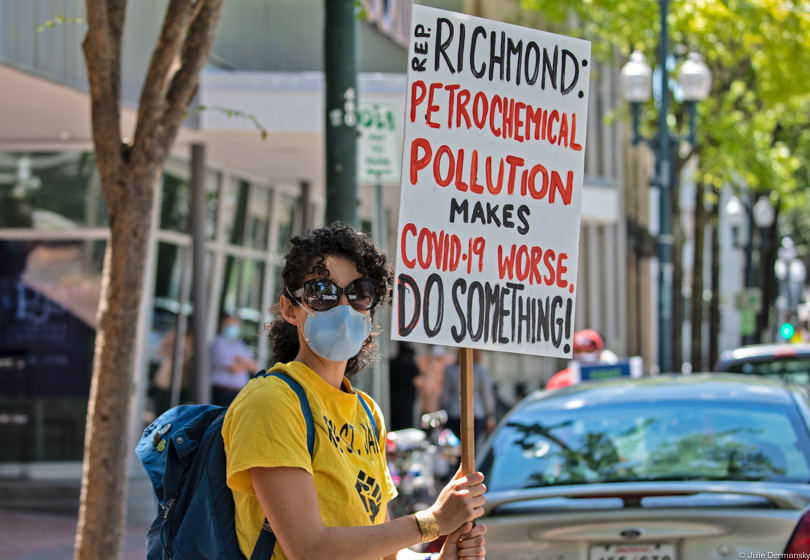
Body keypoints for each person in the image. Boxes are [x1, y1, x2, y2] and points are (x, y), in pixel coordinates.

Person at [222, 223, 487, 560]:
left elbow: (383, 551)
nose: (343, 307)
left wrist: (437, 557)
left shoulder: (367, 411)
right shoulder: (271, 402)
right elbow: (308, 549)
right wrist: (432, 522)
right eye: (323, 292)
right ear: (290, 309)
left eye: (359, 292)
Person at [440, 349, 497, 447]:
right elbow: (486, 394)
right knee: (471, 448)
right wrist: (490, 413)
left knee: (456, 448)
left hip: (455, 412)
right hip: (475, 412)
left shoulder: (451, 370)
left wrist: (442, 408)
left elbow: (445, 394)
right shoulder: (480, 370)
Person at [210, 313, 258, 406]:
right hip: (223, 393)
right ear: (221, 325)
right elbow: (234, 368)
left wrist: (241, 362)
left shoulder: (239, 344)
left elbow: (254, 366)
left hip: (239, 393)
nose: (232, 326)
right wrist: (245, 363)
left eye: (233, 323)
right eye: (228, 323)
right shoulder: (219, 343)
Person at [546, 329, 619, 390]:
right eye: (579, 351)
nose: (583, 354)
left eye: (589, 351)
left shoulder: (612, 377)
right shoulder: (560, 381)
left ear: (600, 352)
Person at [389, 341, 421, 431]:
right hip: (406, 402)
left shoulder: (392, 363)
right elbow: (418, 382)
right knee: (405, 429)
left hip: (393, 400)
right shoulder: (411, 365)